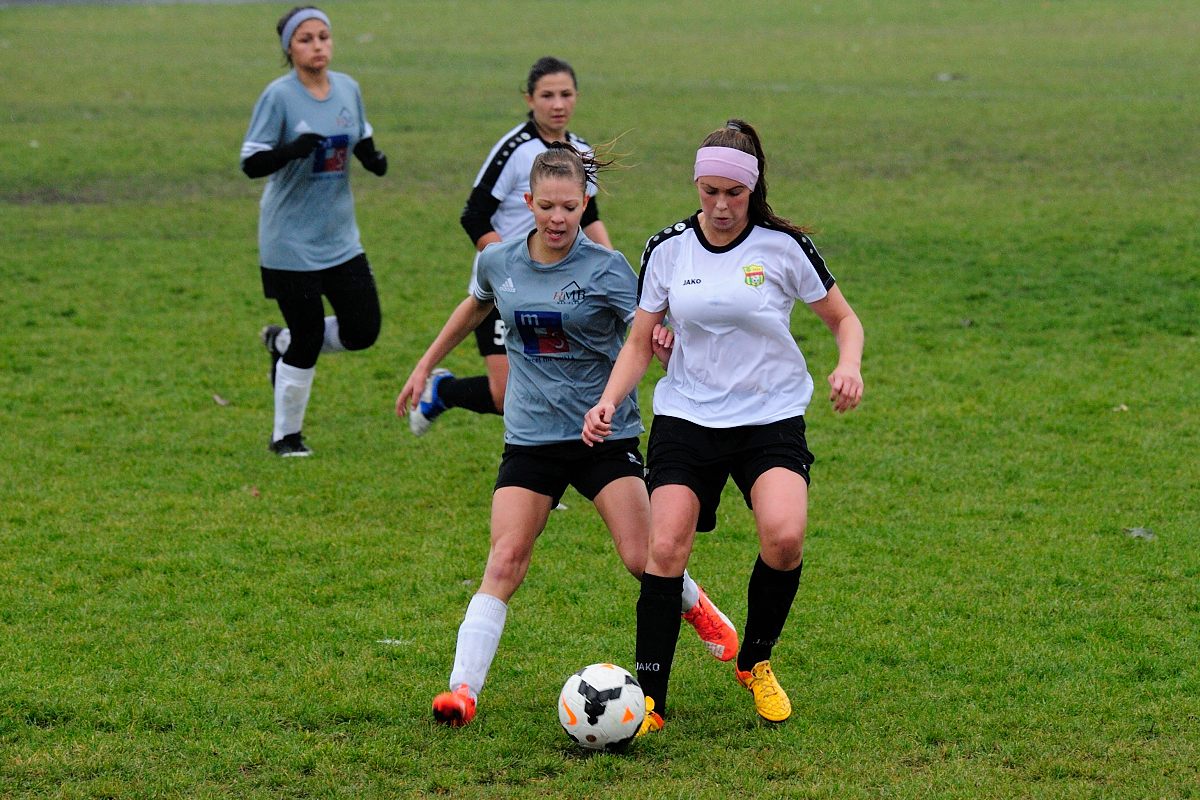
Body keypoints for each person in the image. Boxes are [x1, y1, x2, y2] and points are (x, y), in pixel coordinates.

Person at [396, 145, 738, 727]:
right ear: (529, 202)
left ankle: (696, 605)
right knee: (505, 559)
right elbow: (474, 307)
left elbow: (646, 331)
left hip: (603, 436)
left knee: (643, 558)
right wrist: (425, 364)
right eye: (547, 206)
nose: (558, 219)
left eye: (571, 207)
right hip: (530, 438)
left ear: (585, 203)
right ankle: (462, 691)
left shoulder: (607, 268)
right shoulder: (499, 262)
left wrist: (665, 348)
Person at [582, 119, 865, 735]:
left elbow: (845, 320)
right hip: (688, 417)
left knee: (785, 538)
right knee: (664, 548)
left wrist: (849, 364)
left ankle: (755, 661)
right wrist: (607, 401)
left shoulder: (782, 247)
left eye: (733, 193)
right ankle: (650, 703)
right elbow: (639, 340)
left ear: (751, 189)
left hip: (770, 415)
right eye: (709, 191)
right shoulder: (667, 248)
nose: (720, 205)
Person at [408, 56, 613, 437]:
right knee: (504, 396)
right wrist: (514, 267)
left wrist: (610, 260)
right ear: (529, 99)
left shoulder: (583, 152)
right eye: (547, 95)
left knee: (553, 384)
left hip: (559, 287)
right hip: (505, 289)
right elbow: (474, 215)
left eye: (566, 94)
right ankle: (443, 391)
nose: (558, 104)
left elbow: (590, 215)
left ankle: (558, 462)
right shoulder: (515, 149)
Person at [241, 5, 388, 457]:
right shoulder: (278, 97)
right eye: (305, 39)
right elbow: (251, 162)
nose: (317, 46)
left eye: (323, 37)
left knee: (363, 329)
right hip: (289, 241)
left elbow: (359, 135)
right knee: (308, 338)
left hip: (340, 236)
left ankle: (282, 341)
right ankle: (286, 437)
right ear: (290, 48)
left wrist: (372, 158)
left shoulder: (347, 88)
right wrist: (291, 150)